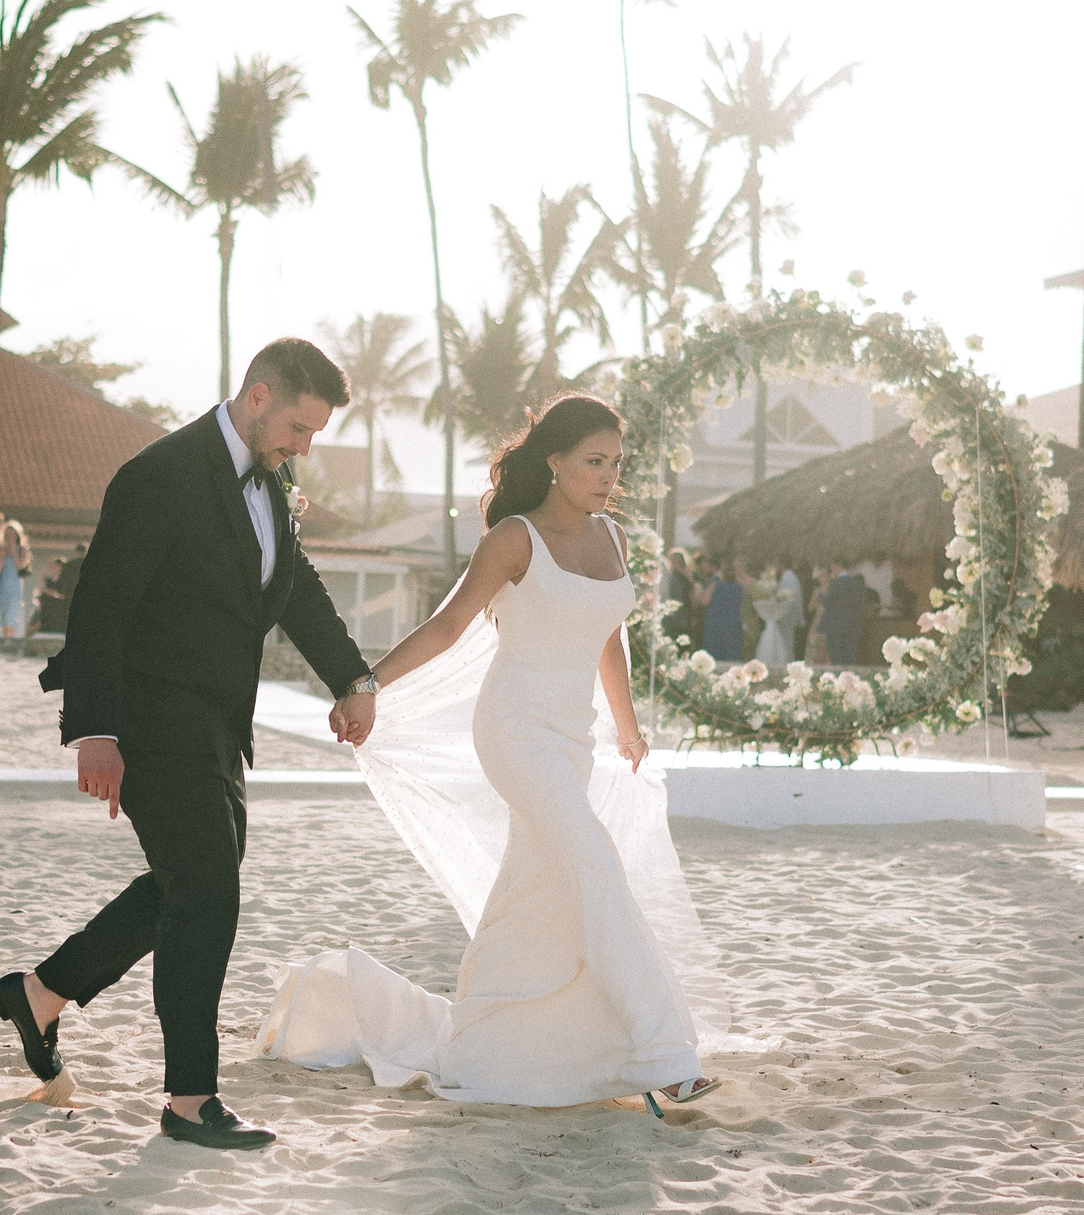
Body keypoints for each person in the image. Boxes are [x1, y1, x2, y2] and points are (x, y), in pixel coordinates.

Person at [255, 392, 734, 1113]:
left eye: (617, 463)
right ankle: (664, 1055)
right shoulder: (514, 538)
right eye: (594, 461)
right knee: (596, 863)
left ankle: (489, 1041)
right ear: (554, 462)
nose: (608, 476)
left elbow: (608, 639)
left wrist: (627, 728)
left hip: (573, 740)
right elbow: (448, 628)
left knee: (534, 902)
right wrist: (365, 683)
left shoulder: (614, 540)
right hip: (514, 731)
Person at [0, 338, 375, 1152]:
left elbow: (296, 587)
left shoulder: (274, 477)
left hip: (220, 724)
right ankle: (191, 1098)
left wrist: (353, 679)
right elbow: (101, 609)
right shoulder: (159, 474)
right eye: (301, 428)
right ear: (259, 395)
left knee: (191, 883)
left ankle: (43, 994)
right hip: (149, 719)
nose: (306, 447)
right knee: (208, 889)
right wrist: (94, 730)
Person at [813, 564, 873, 666]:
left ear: (837, 567)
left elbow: (827, 602)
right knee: (849, 655)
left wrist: (819, 595)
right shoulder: (855, 582)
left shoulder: (836, 583)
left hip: (835, 624)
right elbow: (860, 603)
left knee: (836, 655)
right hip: (852, 623)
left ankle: (838, 677)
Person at [0, 519, 34, 638]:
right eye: (7, 534)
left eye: (12, 534)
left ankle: (10, 639)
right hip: (1, 584)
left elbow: (20, 566)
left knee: (11, 614)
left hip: (15, 584)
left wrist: (13, 552)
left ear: (17, 535)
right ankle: (5, 638)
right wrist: (1, 557)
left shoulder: (23, 549)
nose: (10, 537)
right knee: (3, 613)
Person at [701, 560, 746, 662]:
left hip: (715, 622)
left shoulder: (715, 585)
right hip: (733, 622)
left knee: (713, 652)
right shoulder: (739, 587)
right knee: (732, 652)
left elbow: (704, 601)